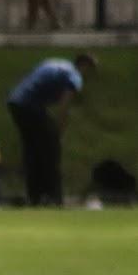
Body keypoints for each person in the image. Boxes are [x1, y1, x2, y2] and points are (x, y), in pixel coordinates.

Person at [8, 53, 97, 206]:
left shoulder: (53, 62)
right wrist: (59, 129)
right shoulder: (74, 75)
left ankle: (34, 196)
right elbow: (65, 103)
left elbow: (35, 81)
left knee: (32, 150)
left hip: (15, 102)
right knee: (51, 151)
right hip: (30, 105)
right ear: (84, 65)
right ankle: (54, 196)